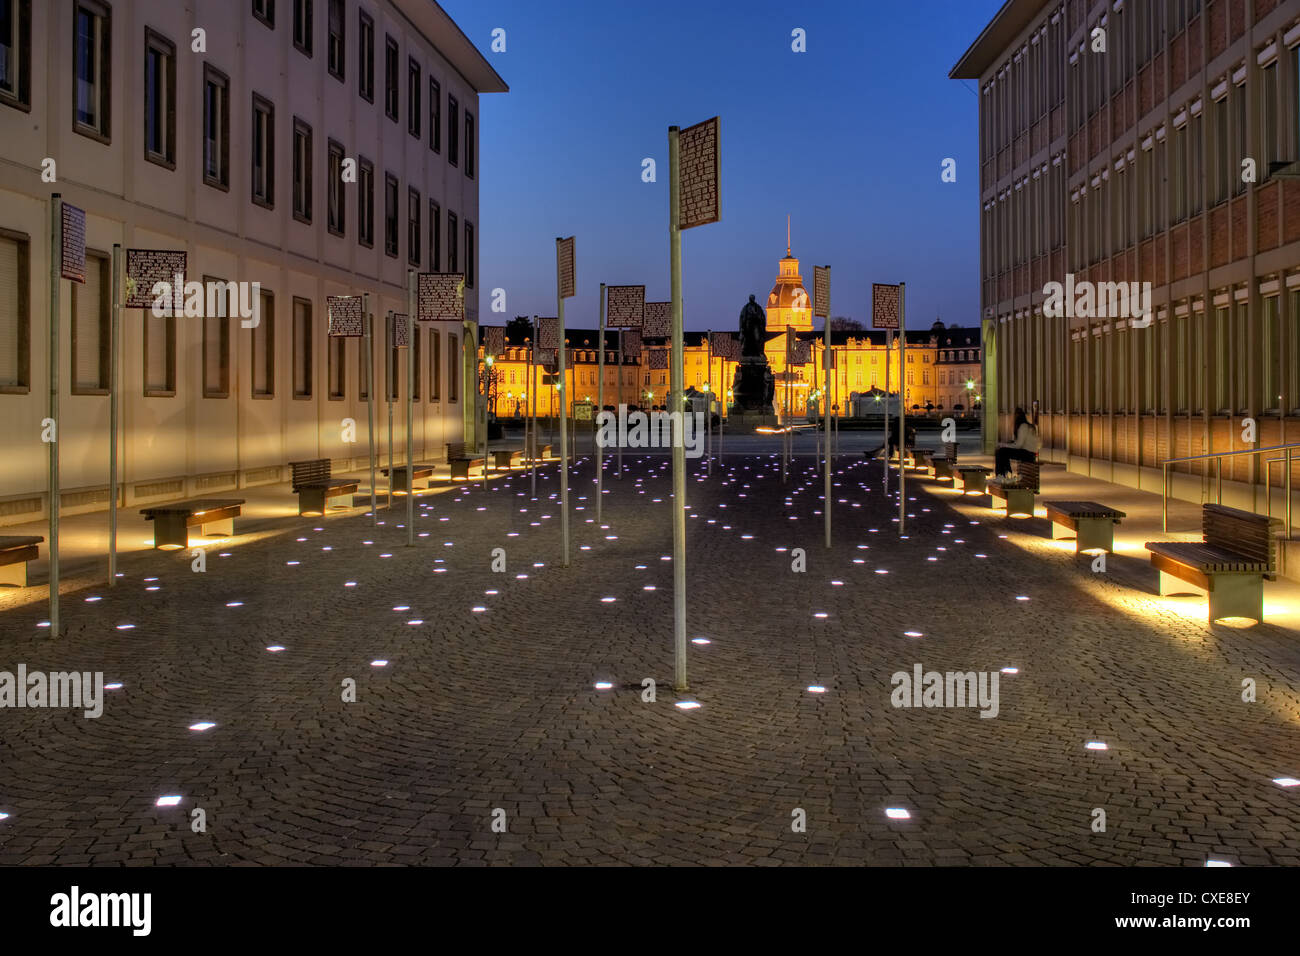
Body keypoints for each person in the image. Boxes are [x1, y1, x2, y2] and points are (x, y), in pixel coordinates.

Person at [995, 407, 1040, 478]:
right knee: (1003, 451)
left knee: (1001, 452)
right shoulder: (1027, 426)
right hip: (1029, 452)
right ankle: (1005, 472)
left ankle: (1001, 474)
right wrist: (1007, 444)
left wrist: (1003, 445)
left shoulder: (1023, 426)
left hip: (1028, 453)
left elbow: (1018, 445)